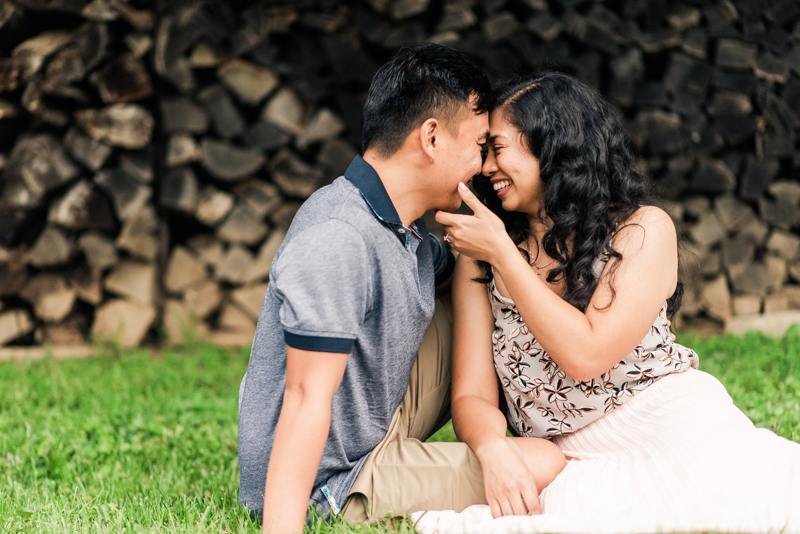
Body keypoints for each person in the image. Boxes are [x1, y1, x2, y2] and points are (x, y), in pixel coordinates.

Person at [435, 71, 800, 527]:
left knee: (728, 494)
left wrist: (505, 257)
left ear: (553, 146)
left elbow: (586, 354)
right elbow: (471, 394)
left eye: (499, 148)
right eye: (484, 151)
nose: (486, 166)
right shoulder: (483, 253)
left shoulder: (642, 230)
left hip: (659, 420)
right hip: (556, 450)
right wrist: (492, 448)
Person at [237, 46, 565, 534]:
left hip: (373, 422)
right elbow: (306, 395)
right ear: (431, 137)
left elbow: (469, 282)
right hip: (331, 480)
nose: (483, 165)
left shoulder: (396, 225)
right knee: (543, 463)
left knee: (474, 292)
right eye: (479, 145)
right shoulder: (338, 238)